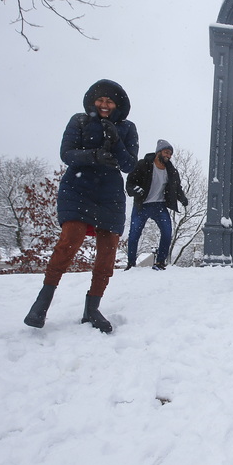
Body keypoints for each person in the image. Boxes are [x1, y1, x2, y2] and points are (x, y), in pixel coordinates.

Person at [24, 79, 139, 333]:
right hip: (78, 186)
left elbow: (130, 165)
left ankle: (92, 308)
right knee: (69, 241)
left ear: (117, 104)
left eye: (110, 101)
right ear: (92, 100)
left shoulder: (128, 127)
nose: (104, 105)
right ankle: (42, 302)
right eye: (100, 100)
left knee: (108, 252)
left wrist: (116, 140)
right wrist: (94, 155)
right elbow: (66, 154)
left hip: (110, 193)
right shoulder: (79, 121)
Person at [125, 139, 189, 271]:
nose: (168, 156)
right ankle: (131, 264)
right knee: (134, 234)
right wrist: (135, 190)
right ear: (158, 152)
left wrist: (182, 198)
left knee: (167, 232)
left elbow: (177, 188)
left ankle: (160, 262)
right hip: (142, 206)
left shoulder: (171, 171)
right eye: (166, 152)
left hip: (159, 206)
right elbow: (130, 182)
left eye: (170, 154)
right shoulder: (143, 165)